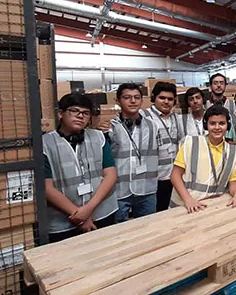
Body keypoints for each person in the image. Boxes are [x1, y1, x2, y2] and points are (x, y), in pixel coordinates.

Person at [43, 94, 118, 242]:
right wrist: (79, 215)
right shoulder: (45, 143)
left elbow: (110, 175)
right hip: (64, 222)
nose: (80, 116)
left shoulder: (98, 137)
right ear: (60, 114)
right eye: (74, 111)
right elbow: (46, 188)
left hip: (102, 213)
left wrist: (88, 209)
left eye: (85, 113)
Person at [170, 105, 236, 212]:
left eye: (222, 123)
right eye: (213, 123)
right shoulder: (191, 143)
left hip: (211, 206)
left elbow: (233, 182)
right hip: (184, 206)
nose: (217, 127)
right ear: (206, 125)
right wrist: (188, 200)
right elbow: (175, 175)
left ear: (228, 125)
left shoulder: (233, 152)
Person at [107, 83, 162, 222]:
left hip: (147, 187)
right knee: (118, 229)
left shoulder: (152, 126)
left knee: (148, 226)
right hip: (119, 189)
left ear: (142, 100)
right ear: (118, 101)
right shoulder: (110, 127)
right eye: (127, 97)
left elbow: (159, 153)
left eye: (137, 97)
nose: (133, 101)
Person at [142, 81, 181, 211]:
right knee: (155, 213)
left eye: (170, 99)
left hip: (173, 176)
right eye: (162, 98)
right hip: (154, 178)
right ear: (154, 98)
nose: (166, 102)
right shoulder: (143, 116)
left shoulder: (176, 118)